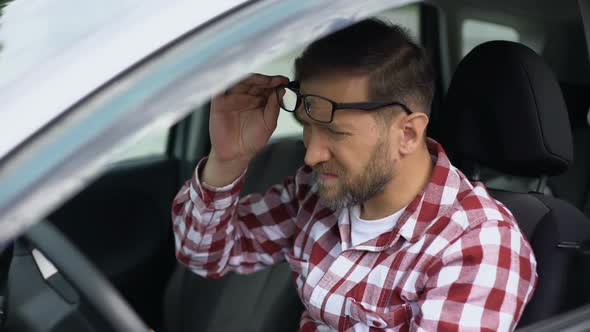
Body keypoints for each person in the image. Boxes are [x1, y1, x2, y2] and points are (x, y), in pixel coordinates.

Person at [172, 19, 537, 331]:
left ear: (407, 134)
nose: (312, 155)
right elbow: (203, 254)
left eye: (335, 133)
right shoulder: (314, 193)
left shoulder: (478, 246)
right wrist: (228, 158)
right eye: (307, 128)